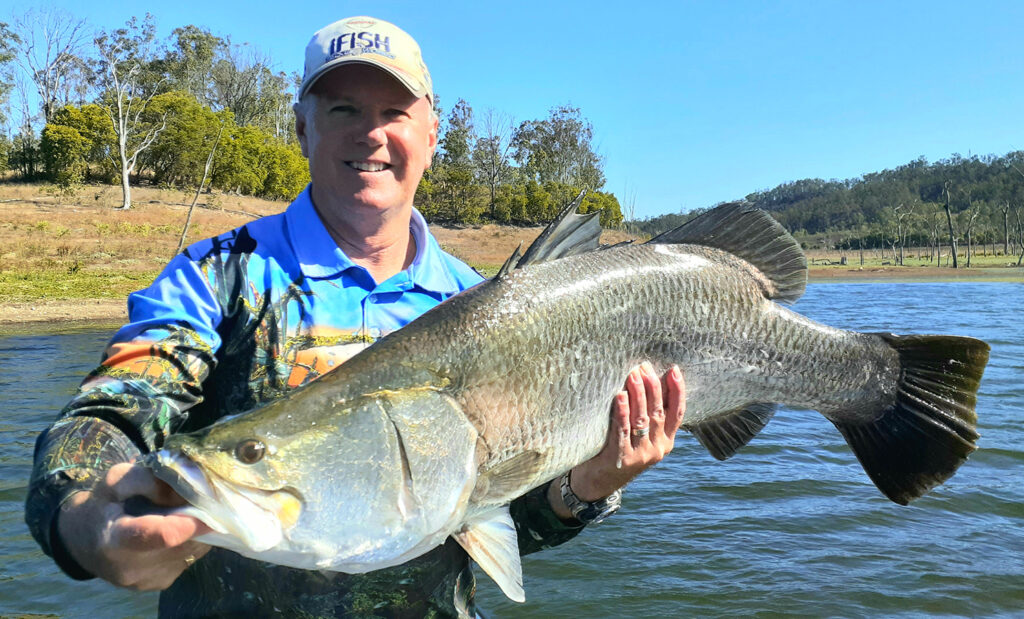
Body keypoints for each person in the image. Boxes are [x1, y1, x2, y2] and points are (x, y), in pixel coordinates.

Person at [26, 16, 686, 618]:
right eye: (343, 108)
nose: (370, 133)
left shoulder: (488, 304)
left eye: (394, 111)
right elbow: (109, 411)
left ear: (431, 134)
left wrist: (586, 488)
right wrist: (86, 518)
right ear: (301, 127)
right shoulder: (217, 277)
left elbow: (495, 514)